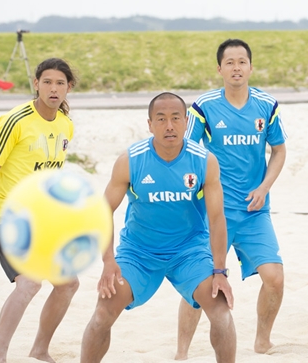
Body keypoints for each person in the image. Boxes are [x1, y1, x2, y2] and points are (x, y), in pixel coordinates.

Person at [81, 92, 236, 363]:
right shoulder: (131, 160)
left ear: (186, 122)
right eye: (161, 119)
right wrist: (108, 261)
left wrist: (220, 269)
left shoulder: (204, 161)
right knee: (103, 311)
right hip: (138, 252)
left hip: (189, 251)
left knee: (221, 310)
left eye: (176, 118)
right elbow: (103, 211)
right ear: (149, 124)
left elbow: (217, 218)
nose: (169, 126)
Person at [176, 38, 287, 357]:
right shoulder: (204, 106)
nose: (236, 67)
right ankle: (181, 351)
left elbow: (279, 150)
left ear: (251, 67)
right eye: (230, 62)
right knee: (200, 283)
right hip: (214, 213)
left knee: (275, 278)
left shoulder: (267, 105)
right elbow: (187, 153)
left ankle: (263, 340)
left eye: (242, 62)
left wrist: (264, 186)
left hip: (254, 211)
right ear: (219, 69)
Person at [0, 58, 78, 363]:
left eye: (60, 83)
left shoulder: (66, 124)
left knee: (68, 283)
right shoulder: (15, 120)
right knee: (29, 283)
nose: (53, 88)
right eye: (47, 82)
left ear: (69, 87)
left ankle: (40, 349)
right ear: (36, 83)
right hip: (7, 217)